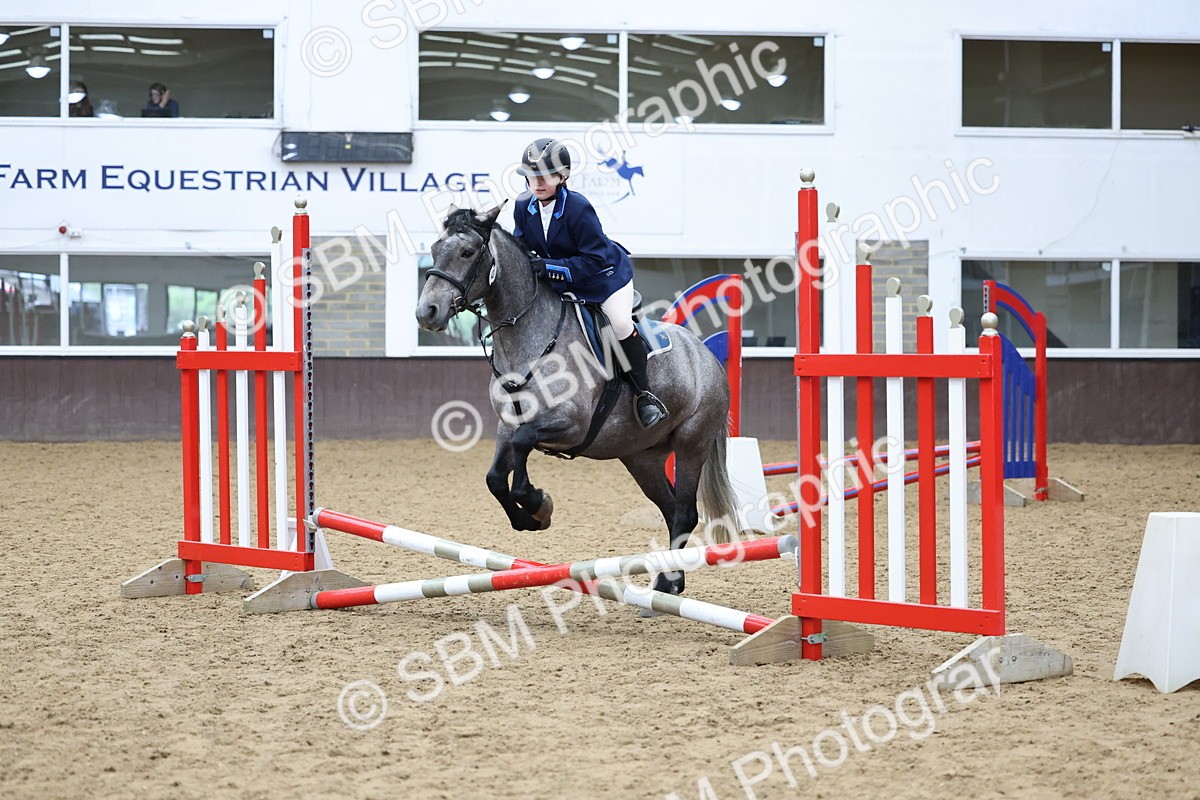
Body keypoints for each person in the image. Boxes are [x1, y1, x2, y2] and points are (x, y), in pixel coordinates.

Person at [512, 137, 667, 429]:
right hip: (564, 280)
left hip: (604, 278)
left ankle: (643, 395)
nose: (537, 182)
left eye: (544, 176)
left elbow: (594, 260)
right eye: (531, 176)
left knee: (620, 324)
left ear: (563, 176)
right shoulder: (523, 206)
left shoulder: (578, 208)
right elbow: (521, 247)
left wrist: (549, 266)